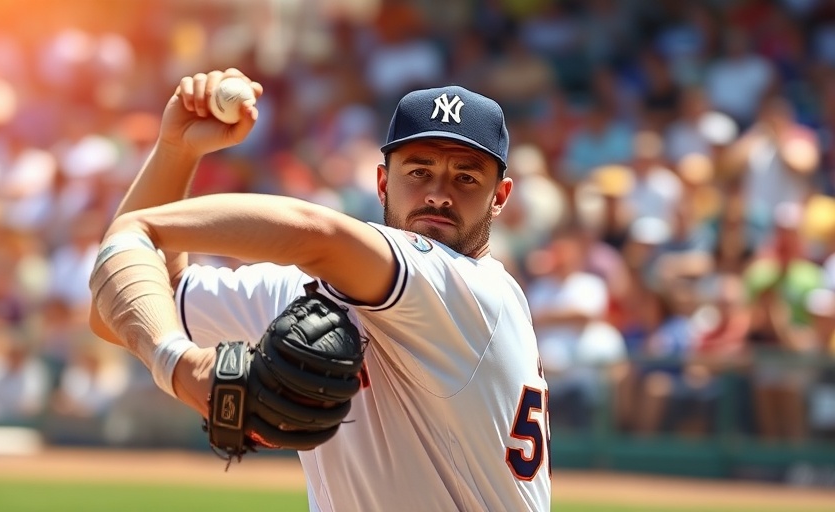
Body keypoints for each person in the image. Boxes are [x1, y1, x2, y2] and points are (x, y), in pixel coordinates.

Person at [88, 69, 550, 511]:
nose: (437, 194)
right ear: (383, 183)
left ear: (500, 196)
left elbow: (316, 234)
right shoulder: (305, 287)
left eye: (465, 177)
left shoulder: (477, 292)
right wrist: (175, 151)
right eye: (419, 171)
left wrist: (140, 229)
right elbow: (123, 299)